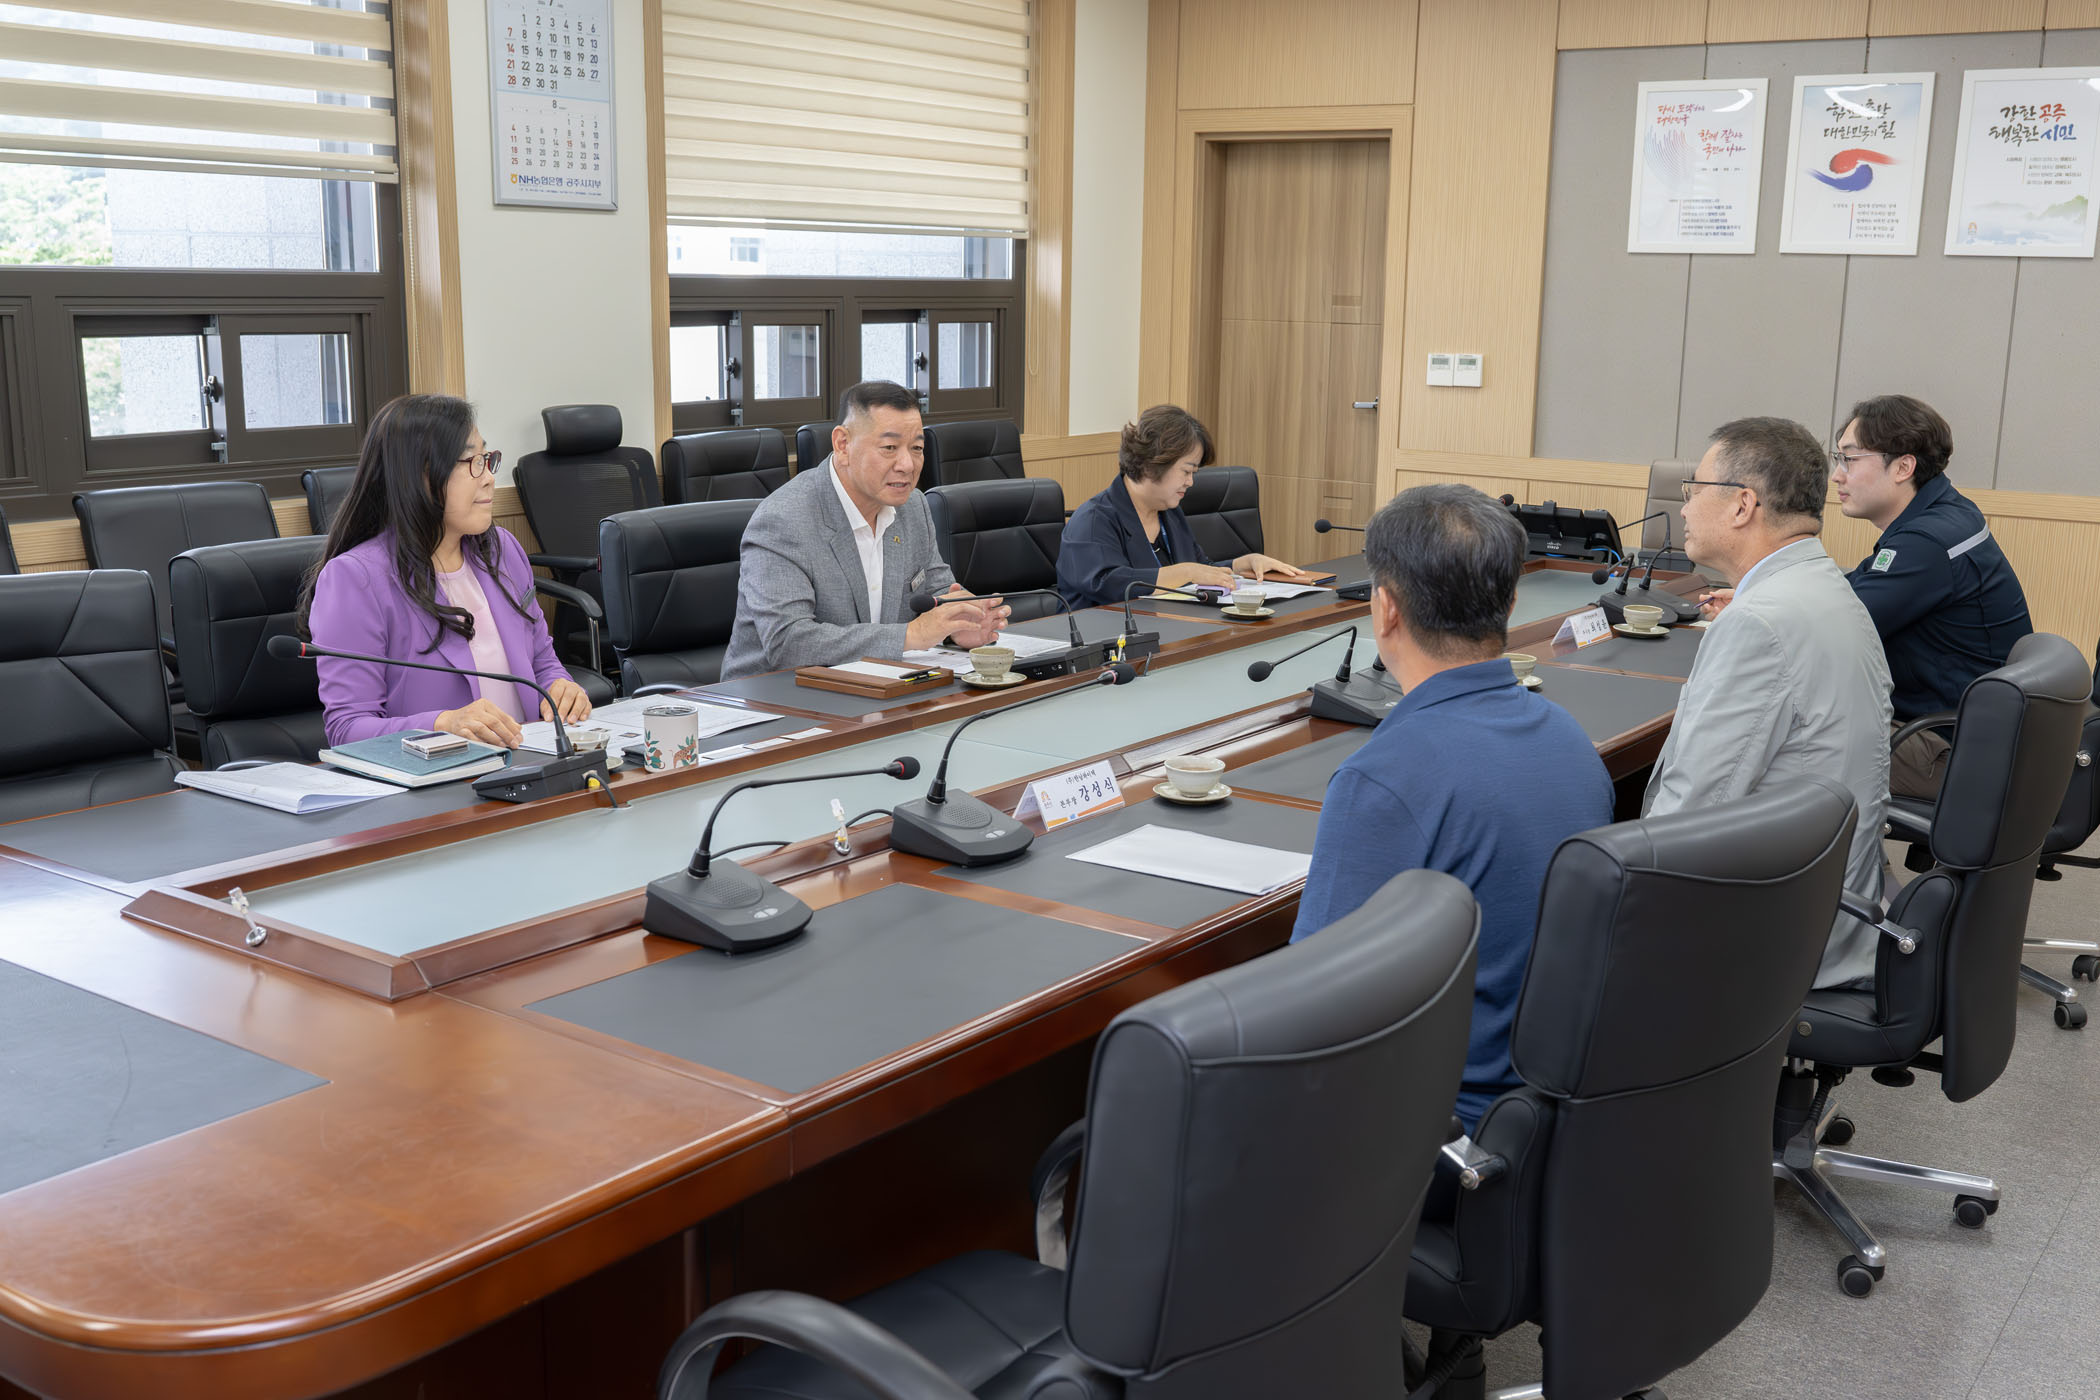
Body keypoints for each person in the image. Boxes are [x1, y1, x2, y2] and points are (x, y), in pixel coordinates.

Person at [1290, 483, 1612, 1131]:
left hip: (1437, 1129)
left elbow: (1310, 1013)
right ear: (1512, 602)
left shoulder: (1384, 778)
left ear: (1385, 608)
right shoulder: (1569, 737)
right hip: (1553, 1107)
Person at [1652, 417, 1892, 989]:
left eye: (1695, 490)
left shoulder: (1759, 623)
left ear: (1743, 505)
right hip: (1835, 903)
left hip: (1780, 937)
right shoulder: (1829, 589)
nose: (1684, 508)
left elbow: (1688, 818)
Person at [301, 393, 592, 749]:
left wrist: (561, 687)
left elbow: (542, 661)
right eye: (472, 462)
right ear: (420, 476)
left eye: (487, 459)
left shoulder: (501, 549)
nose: (489, 478)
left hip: (531, 760)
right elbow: (347, 730)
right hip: (443, 776)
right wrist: (443, 724)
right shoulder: (355, 578)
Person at [721, 380, 1008, 680]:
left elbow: (937, 592)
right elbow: (789, 643)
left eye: (917, 448)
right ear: (843, 445)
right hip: (776, 695)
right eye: (889, 448)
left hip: (878, 686)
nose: (907, 465)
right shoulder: (783, 521)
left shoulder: (913, 507)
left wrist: (962, 623)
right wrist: (911, 635)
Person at [1832, 395, 2031, 797]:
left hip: (1947, 750)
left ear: (1903, 467)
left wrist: (1765, 604)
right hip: (1975, 734)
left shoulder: (1928, 541)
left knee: (1781, 743)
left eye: (1849, 459)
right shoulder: (1946, 512)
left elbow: (1832, 629)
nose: (1837, 475)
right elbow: (1857, 588)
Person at [1056, 404, 1312, 609]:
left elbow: (1199, 568)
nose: (1190, 482)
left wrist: (1242, 564)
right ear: (1151, 465)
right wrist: (1187, 571)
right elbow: (1109, 584)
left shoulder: (1169, 513)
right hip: (1103, 644)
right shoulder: (1093, 520)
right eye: (1186, 471)